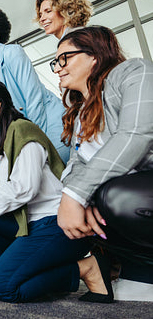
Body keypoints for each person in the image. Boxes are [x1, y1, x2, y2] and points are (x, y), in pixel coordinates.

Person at [0, 81, 90, 302]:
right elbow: (2, 192)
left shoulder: (22, 129)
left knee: (3, 287)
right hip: (27, 223)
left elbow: (24, 189)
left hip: (53, 223)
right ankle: (21, 268)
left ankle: (86, 268)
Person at [53, 26, 153, 302]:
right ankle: (143, 275)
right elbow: (74, 166)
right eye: (55, 62)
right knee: (95, 201)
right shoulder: (80, 113)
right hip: (134, 191)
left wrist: (77, 194)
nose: (58, 68)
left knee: (114, 197)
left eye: (66, 58)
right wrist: (80, 194)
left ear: (95, 55)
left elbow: (137, 134)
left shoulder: (134, 71)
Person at [0, 5, 70, 163]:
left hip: (49, 121)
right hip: (24, 131)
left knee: (62, 170)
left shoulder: (12, 52)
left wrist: (33, 139)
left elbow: (34, 98)